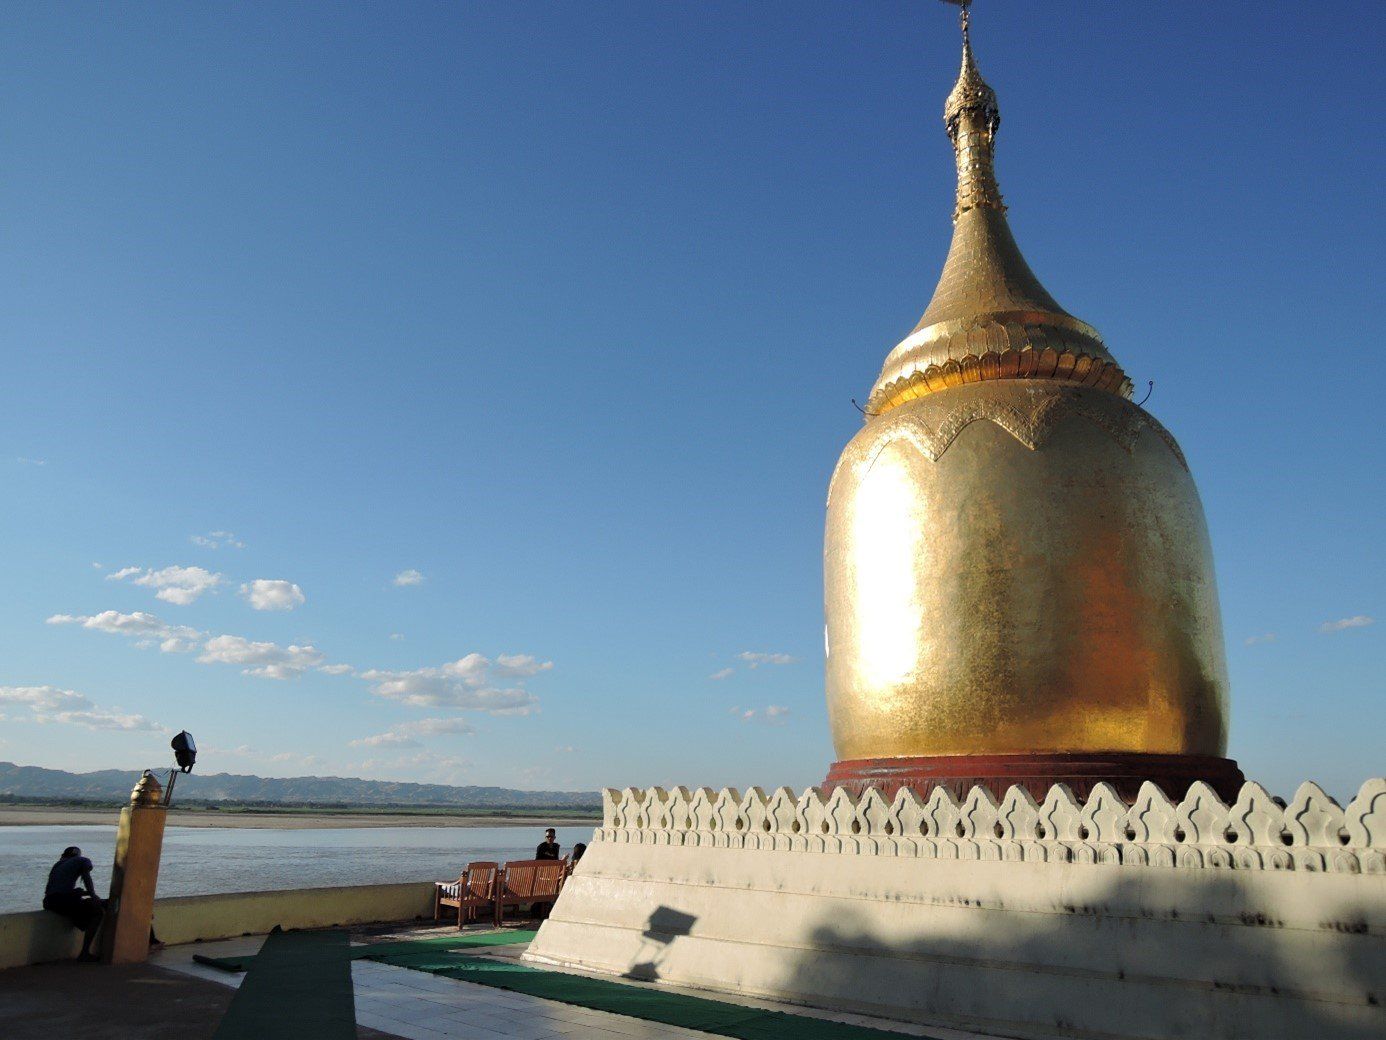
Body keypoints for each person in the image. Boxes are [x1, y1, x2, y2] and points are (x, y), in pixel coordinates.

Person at [43, 846, 104, 961]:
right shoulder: (82, 860)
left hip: (49, 902)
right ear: (78, 855)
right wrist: (93, 894)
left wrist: (78, 893)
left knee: (82, 905)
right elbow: (86, 877)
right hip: (62, 900)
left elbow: (56, 890)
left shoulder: (58, 865)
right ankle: (84, 953)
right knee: (97, 911)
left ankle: (81, 922)